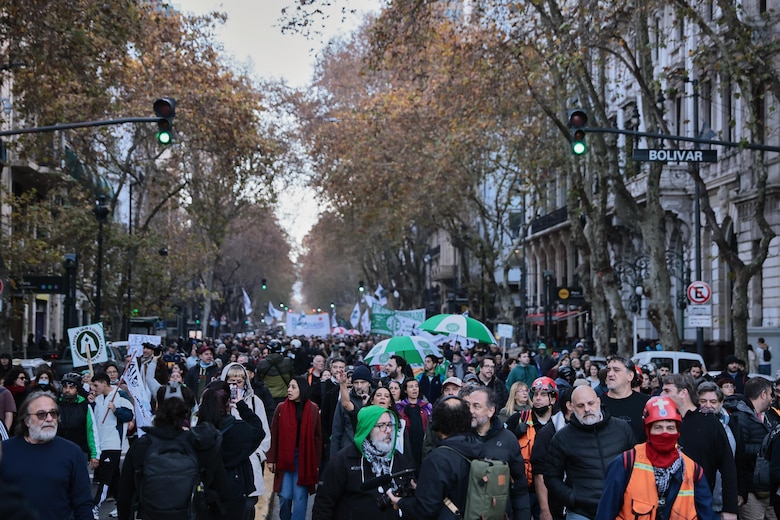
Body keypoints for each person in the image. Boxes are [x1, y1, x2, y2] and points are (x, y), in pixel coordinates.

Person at [116, 383, 229, 520]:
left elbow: (124, 496)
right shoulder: (199, 444)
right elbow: (223, 491)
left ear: (157, 406)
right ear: (187, 410)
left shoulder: (142, 445)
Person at [595, 396, 716, 520]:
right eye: (658, 428)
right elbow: (605, 513)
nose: (665, 433)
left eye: (670, 428)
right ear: (648, 430)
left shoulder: (692, 470)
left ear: (678, 431)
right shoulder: (625, 464)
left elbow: (707, 514)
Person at [544, 385, 635, 520]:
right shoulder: (562, 437)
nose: (587, 409)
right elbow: (551, 476)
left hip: (621, 509)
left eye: (590, 403)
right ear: (572, 407)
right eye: (580, 405)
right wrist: (572, 498)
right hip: (581, 512)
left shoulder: (622, 429)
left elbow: (637, 465)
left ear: (598, 402)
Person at [0, 391, 94, 519]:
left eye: (53, 413)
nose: (49, 419)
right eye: (41, 414)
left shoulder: (72, 452)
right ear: (27, 420)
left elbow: (83, 503)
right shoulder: (5, 451)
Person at [387, 396, 481, 518]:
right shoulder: (479, 446)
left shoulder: (437, 458)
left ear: (435, 423)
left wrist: (400, 502)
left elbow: (425, 509)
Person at [660, 373, 738, 519]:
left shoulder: (710, 423)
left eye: (667, 391)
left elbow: (727, 467)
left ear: (683, 393)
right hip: (664, 505)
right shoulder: (662, 422)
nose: (661, 394)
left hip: (701, 505)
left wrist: (730, 508)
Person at [314, 405, 414, 519]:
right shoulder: (343, 460)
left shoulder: (398, 459)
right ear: (367, 429)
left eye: (390, 424)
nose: (388, 430)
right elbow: (323, 504)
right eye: (381, 426)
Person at [196, 380, 265, 519]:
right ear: (228, 403)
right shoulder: (239, 429)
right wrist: (241, 405)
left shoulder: (199, 431)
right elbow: (258, 430)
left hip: (207, 490)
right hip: (235, 488)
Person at [460, 385, 531, 520]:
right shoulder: (458, 437)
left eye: (476, 406)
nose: (470, 411)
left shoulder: (508, 440)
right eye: (468, 405)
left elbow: (519, 488)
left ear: (490, 411)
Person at [221, 362, 272, 518]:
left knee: (248, 508)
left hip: (249, 464)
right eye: (231, 382)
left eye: (239, 381)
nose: (235, 385)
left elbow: (264, 432)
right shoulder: (216, 401)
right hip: (225, 466)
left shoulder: (256, 402)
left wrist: (257, 454)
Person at [268, 376, 322, 520]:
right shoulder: (281, 408)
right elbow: (274, 434)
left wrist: (316, 463)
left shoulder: (313, 409)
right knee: (285, 495)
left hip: (304, 458)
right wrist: (271, 459)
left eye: (293, 387)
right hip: (285, 457)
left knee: (299, 497)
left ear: (302, 389)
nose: (289, 390)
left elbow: (317, 438)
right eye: (289, 387)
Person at [728, 376, 778, 519]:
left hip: (769, 491)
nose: (772, 399)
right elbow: (738, 453)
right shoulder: (740, 418)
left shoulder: (771, 417)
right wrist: (765, 451)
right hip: (751, 492)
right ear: (763, 394)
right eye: (770, 394)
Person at [92, 371, 134, 516]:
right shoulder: (97, 399)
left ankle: (95, 507)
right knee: (115, 479)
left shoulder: (120, 394)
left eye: (96, 385)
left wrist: (116, 410)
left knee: (105, 478)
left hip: (113, 444)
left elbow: (129, 415)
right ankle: (123, 506)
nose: (94, 388)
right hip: (101, 445)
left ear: (104, 383)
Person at [531, 388, 573, 520]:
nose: (587, 409)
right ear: (569, 405)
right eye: (581, 404)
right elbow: (540, 473)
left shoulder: (586, 429)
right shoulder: (548, 433)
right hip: (556, 505)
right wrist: (544, 509)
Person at [699, 380, 738, 517]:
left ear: (721, 403)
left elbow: (740, 461)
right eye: (703, 401)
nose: (707, 406)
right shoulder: (693, 426)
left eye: (713, 402)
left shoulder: (732, 424)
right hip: (700, 498)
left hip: (724, 499)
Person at [600, 355, 650, 443]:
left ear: (630, 376)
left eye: (616, 370)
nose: (610, 374)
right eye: (608, 370)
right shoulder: (597, 403)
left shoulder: (647, 403)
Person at [57, 372, 100, 469]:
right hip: (58, 451)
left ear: (77, 390)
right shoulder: (55, 404)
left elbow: (91, 431)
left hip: (80, 451)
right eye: (65, 387)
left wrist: (95, 454)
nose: (67, 390)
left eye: (71, 387)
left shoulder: (84, 406)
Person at [331, 364, 374, 457]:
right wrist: (333, 459)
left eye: (362, 382)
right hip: (349, 450)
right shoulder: (345, 401)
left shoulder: (376, 398)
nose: (359, 386)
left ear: (369, 383)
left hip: (372, 451)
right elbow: (336, 432)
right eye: (356, 382)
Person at [396, 377, 431, 469]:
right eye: (411, 387)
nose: (415, 389)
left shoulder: (427, 406)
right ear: (405, 390)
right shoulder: (399, 408)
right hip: (406, 444)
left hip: (423, 443)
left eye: (416, 386)